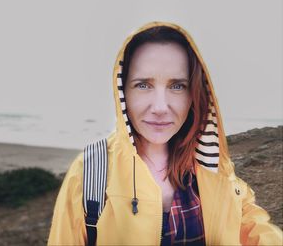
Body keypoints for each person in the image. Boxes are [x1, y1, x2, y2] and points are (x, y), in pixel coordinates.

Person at [47, 21, 283, 245]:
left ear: (194, 95)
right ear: (122, 93)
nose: (160, 107)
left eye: (177, 86)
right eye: (143, 85)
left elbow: (259, 232)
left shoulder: (214, 169)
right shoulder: (90, 171)